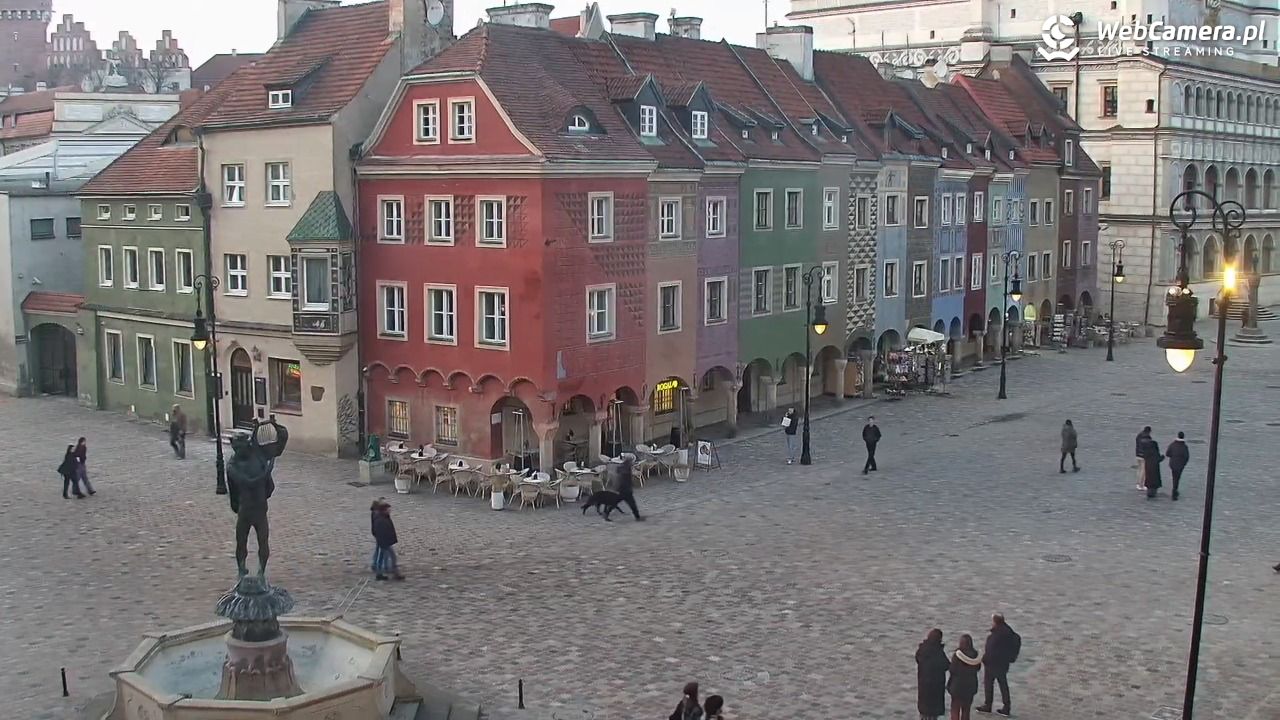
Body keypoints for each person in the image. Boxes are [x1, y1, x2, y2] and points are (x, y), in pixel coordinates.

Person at [977, 614, 1019, 716]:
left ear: (995, 622)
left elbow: (990, 650)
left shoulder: (996, 635)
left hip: (993, 663)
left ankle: (988, 705)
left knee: (989, 684)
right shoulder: (1009, 632)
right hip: (1003, 663)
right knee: (1003, 684)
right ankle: (1007, 706)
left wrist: (984, 659)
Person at [917, 628, 949, 720]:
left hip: (923, 686)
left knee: (924, 713)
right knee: (932, 714)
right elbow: (946, 665)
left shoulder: (922, 650)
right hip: (935, 688)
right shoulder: (938, 652)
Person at [947, 634, 982, 720]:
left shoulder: (957, 655)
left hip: (957, 686)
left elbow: (952, 669)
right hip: (970, 686)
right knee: (966, 710)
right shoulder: (975, 655)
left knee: (955, 709)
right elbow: (978, 668)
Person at [371, 500, 404, 581]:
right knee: (391, 556)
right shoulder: (381, 520)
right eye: (388, 509)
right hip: (384, 542)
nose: (390, 511)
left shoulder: (383, 517)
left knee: (382, 557)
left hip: (384, 541)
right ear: (384, 510)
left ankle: (380, 573)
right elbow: (381, 532)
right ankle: (394, 573)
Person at [612, 455, 644, 522]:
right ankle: (637, 517)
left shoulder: (623, 467)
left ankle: (606, 512)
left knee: (616, 501)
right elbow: (624, 480)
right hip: (625, 490)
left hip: (623, 489)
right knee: (632, 504)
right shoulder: (626, 469)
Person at [1140, 430, 1165, 499]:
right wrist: (1162, 457)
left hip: (1148, 465)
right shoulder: (1154, 446)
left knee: (1149, 479)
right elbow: (1158, 457)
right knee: (1155, 480)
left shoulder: (1144, 448)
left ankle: (1149, 492)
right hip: (1155, 466)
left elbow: (1144, 456)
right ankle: (1153, 493)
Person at [1165, 432, 1190, 501]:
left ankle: (1175, 489)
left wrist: (1173, 456)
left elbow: (1167, 453)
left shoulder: (1172, 445)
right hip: (1180, 465)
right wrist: (1183, 463)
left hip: (1173, 464)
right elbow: (1186, 457)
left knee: (1174, 476)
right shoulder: (1184, 447)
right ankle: (1175, 490)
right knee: (1177, 477)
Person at [370, 498, 386, 576]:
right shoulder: (378, 514)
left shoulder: (376, 513)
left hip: (378, 534)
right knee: (383, 551)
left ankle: (375, 564)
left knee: (378, 550)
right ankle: (380, 567)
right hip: (381, 535)